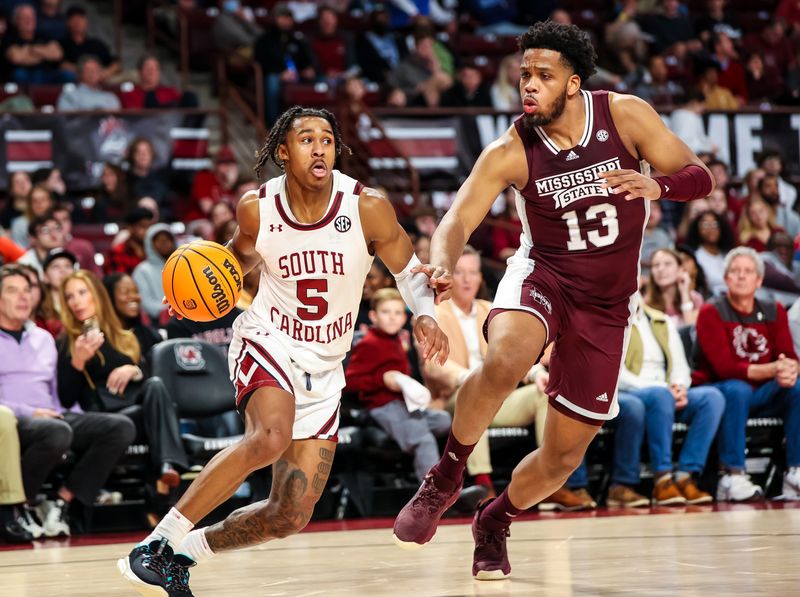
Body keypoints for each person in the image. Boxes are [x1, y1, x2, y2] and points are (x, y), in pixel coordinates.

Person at [391, 21, 714, 580]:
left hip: (609, 304)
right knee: (507, 355)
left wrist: (657, 186)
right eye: (524, 75)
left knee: (564, 457)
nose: (529, 85)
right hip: (543, 275)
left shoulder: (625, 115)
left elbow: (699, 176)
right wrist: (441, 261)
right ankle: (444, 477)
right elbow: (457, 219)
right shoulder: (511, 148)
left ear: (573, 82)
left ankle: (495, 519)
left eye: (543, 75)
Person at [117, 106, 449, 595]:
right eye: (307, 139)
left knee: (289, 515)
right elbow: (235, 261)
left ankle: (185, 555)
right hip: (268, 338)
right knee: (269, 437)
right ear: (282, 152)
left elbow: (409, 270)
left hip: (326, 364)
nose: (319, 148)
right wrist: (193, 291)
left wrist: (425, 314)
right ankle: (158, 542)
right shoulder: (258, 206)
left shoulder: (367, 206)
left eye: (327, 140)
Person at [0, 264, 136, 538]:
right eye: (13, 291)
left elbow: (57, 392)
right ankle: (18, 507)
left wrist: (75, 416)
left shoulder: (44, 338)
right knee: (56, 431)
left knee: (120, 427)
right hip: (12, 418)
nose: (23, 297)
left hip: (54, 415)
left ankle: (61, 500)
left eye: (27, 290)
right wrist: (31, 412)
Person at [57, 270, 188, 492]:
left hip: (138, 409)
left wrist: (133, 370)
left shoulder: (125, 336)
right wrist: (78, 362)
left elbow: (152, 377)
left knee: (156, 386)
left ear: (96, 294)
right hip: (106, 416)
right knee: (161, 408)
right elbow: (67, 398)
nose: (76, 301)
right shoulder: (67, 342)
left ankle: (166, 467)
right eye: (70, 296)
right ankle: (166, 469)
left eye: (82, 292)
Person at [693, 247, 800, 501]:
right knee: (736, 388)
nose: (741, 276)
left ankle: (794, 472)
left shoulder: (774, 309)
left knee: (797, 386)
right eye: (735, 271)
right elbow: (725, 368)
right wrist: (774, 368)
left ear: (759, 280)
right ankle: (732, 474)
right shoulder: (711, 311)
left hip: (762, 393)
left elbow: (788, 355)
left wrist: (789, 369)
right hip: (720, 391)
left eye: (748, 271)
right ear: (726, 278)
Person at [346, 288, 453, 484]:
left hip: (404, 405)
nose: (392, 318)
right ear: (373, 316)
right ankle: (432, 492)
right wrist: (382, 380)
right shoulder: (369, 343)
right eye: (386, 312)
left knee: (444, 420)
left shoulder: (397, 341)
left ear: (404, 318)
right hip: (383, 407)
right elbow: (351, 382)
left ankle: (454, 476)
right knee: (424, 440)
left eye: (397, 313)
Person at [645, 248, 704, 326]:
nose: (661, 269)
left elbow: (691, 330)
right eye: (656, 265)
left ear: (680, 268)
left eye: (667, 264)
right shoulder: (646, 303)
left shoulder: (695, 298)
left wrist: (684, 294)